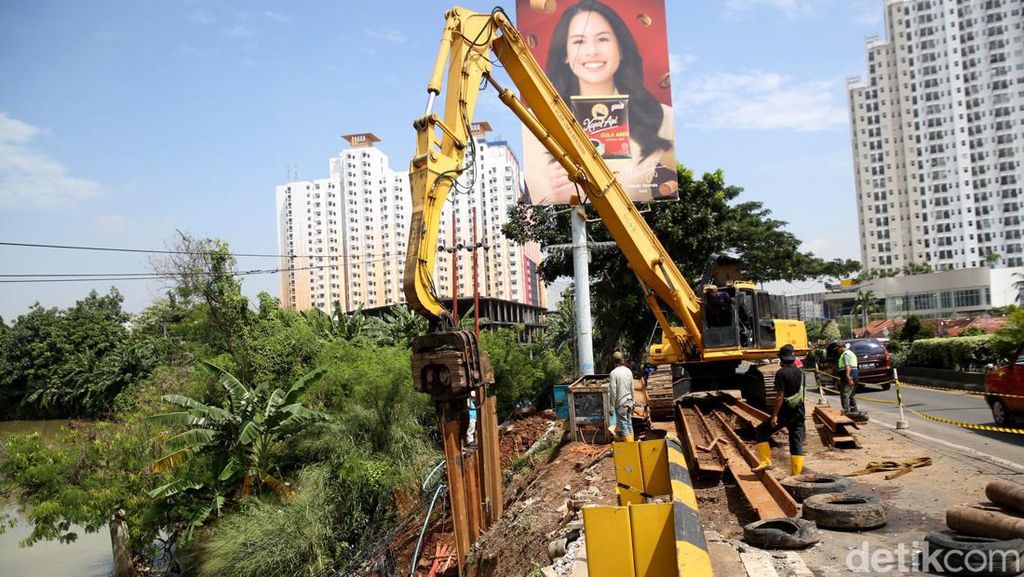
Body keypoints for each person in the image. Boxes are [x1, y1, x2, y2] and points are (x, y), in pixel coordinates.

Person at [522, 0, 676, 204]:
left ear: (620, 49)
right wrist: (567, 197)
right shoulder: (537, 121)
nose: (592, 51)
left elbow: (674, 184)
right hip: (575, 231)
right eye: (578, 42)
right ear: (565, 55)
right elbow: (542, 201)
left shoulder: (662, 117)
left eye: (602, 39)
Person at [752, 344, 807, 475]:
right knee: (796, 441)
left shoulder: (781, 373)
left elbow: (780, 396)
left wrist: (774, 415)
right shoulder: (801, 372)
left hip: (785, 412)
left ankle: (765, 462)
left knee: (761, 431)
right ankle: (796, 474)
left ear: (781, 359)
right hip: (799, 411)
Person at [609, 351, 635, 442]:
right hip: (629, 402)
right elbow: (632, 387)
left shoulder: (613, 373)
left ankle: (630, 449)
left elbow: (613, 392)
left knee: (624, 426)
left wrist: (611, 407)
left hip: (621, 404)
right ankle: (633, 446)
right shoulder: (628, 371)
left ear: (614, 362)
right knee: (629, 424)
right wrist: (634, 401)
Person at [836, 342, 861, 417]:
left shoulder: (846, 354)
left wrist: (848, 377)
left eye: (837, 349)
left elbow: (848, 366)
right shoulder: (850, 353)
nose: (837, 351)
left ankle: (846, 411)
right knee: (851, 394)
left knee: (845, 394)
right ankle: (854, 410)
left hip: (849, 376)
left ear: (841, 347)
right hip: (853, 375)